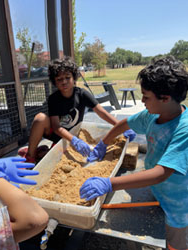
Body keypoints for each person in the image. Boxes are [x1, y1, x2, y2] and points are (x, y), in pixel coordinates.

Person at [80, 56, 188, 250]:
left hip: (178, 198)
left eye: (146, 97)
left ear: (165, 98)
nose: (142, 100)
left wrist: (109, 183)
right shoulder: (153, 114)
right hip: (157, 188)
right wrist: (103, 143)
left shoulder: (184, 129)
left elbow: (161, 173)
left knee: (175, 240)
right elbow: (125, 123)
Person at [18, 57, 136, 163]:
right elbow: (56, 126)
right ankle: (30, 156)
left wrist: (121, 126)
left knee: (52, 157)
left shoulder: (82, 94)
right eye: (59, 79)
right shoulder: (53, 99)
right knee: (40, 118)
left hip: (73, 133)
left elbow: (102, 113)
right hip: (58, 134)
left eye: (67, 77)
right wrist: (74, 140)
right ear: (54, 82)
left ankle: (43, 151)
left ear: (74, 77)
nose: (64, 81)